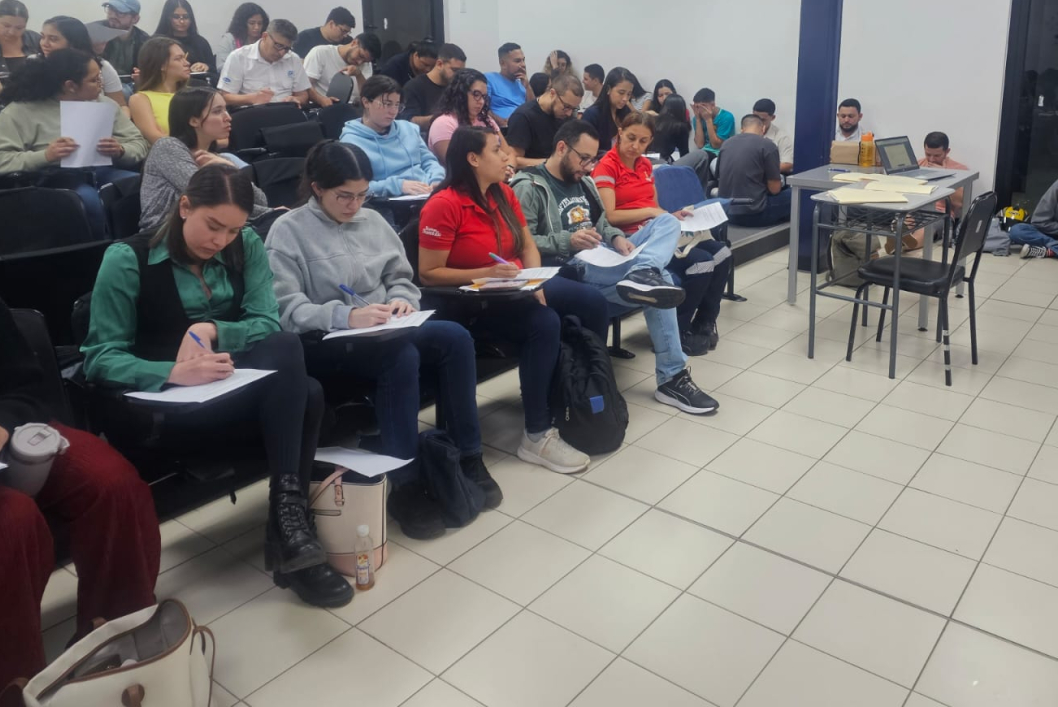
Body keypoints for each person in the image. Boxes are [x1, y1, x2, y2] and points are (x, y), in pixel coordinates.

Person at [82, 166, 353, 607]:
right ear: (184, 206)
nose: (220, 240)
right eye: (212, 225)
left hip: (229, 390)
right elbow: (99, 358)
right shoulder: (128, 259)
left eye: (232, 230)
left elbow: (266, 322)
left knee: (290, 355)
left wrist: (210, 329)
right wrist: (170, 371)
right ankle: (290, 528)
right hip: (171, 408)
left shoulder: (246, 245)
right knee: (307, 394)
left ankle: (288, 521)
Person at [265, 142, 501, 538]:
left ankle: (467, 456)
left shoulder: (372, 221)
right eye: (344, 196)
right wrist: (345, 316)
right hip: (328, 341)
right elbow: (286, 309)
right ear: (317, 188)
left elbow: (401, 278)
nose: (354, 205)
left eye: (362, 195)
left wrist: (402, 300)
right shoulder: (288, 232)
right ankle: (405, 483)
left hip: (386, 326)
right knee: (400, 357)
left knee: (455, 338)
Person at [0, 278, 160, 707]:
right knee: (10, 522)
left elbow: (21, 385)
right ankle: (3, 691)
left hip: (1, 433)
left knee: (111, 482)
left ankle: (114, 638)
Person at [417, 126, 608, 473]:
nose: (507, 156)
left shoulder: (503, 193)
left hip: (511, 289)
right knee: (545, 323)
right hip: (469, 304)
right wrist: (484, 273)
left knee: (581, 305)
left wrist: (534, 282)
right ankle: (537, 432)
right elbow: (429, 274)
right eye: (496, 150)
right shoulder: (443, 204)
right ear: (473, 159)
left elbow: (527, 244)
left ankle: (580, 396)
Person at [512, 120, 719, 413]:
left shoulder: (584, 182)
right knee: (660, 281)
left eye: (592, 160)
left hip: (605, 257)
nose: (588, 167)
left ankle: (642, 272)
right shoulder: (530, 186)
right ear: (561, 148)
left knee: (666, 221)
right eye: (584, 158)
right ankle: (672, 377)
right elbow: (521, 242)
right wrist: (568, 240)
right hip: (571, 268)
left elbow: (603, 224)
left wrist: (617, 238)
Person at [593, 111, 733, 358]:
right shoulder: (607, 166)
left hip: (657, 230)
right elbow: (609, 217)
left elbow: (654, 206)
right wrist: (651, 213)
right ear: (620, 134)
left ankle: (705, 322)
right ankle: (677, 331)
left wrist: (672, 215)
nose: (636, 146)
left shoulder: (645, 165)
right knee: (701, 262)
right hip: (631, 238)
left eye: (643, 141)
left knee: (722, 254)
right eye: (631, 138)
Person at [0, 49, 147, 235]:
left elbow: (139, 143)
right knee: (86, 200)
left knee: (141, 186)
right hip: (49, 177)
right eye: (94, 80)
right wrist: (45, 156)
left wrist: (121, 150)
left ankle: (141, 245)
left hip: (102, 170)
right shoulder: (20, 111)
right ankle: (97, 249)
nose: (101, 85)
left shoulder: (105, 104)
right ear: (70, 85)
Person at [139, 87, 272, 231]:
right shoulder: (167, 147)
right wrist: (270, 214)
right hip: (164, 234)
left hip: (218, 229)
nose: (228, 117)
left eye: (226, 109)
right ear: (194, 120)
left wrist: (233, 170)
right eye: (217, 111)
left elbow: (261, 201)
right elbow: (209, 196)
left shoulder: (219, 159)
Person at [341, 75, 444, 198]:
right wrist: (397, 186)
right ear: (366, 102)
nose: (393, 111)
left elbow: (429, 161)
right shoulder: (351, 141)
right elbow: (353, 188)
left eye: (397, 105)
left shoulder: (409, 129)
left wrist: (437, 180)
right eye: (387, 104)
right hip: (387, 201)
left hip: (425, 193)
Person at [219, 18, 330, 108]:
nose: (282, 53)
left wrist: (296, 99)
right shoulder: (239, 57)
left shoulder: (293, 59)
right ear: (265, 36)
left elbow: (303, 94)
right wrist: (252, 98)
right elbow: (225, 97)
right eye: (278, 45)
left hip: (285, 111)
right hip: (253, 113)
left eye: (287, 48)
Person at [35, 15, 127, 107]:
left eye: (53, 39)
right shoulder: (35, 64)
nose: (44, 43)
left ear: (73, 42)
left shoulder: (101, 66)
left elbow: (121, 106)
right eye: (42, 37)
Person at [717, 114, 790, 227]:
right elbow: (775, 189)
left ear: (742, 129)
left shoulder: (726, 144)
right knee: (797, 194)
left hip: (727, 213)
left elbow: (719, 177)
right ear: (763, 129)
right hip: (754, 214)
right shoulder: (768, 145)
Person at [506, 73, 584, 167]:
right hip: (534, 172)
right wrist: (551, 163)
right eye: (566, 106)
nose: (569, 113)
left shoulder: (565, 116)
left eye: (574, 109)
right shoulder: (523, 117)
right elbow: (514, 159)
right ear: (552, 94)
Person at [428, 68, 501, 165]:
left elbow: (508, 152)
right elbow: (456, 166)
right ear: (461, 94)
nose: (481, 101)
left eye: (484, 96)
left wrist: (508, 166)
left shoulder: (485, 119)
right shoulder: (444, 123)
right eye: (476, 94)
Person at [127, 36, 192, 144]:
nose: (187, 63)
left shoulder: (193, 94)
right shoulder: (140, 99)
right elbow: (155, 137)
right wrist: (192, 148)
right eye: (178, 59)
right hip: (170, 152)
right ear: (162, 65)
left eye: (184, 58)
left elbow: (217, 136)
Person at [304, 32, 382, 105]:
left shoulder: (366, 65)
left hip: (353, 107)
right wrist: (322, 100)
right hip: (323, 106)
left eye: (364, 61)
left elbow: (366, 94)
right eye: (360, 56)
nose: (359, 62)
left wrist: (359, 75)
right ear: (354, 43)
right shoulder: (320, 53)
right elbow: (305, 85)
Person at [402, 42, 466, 130]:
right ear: (439, 64)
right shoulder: (414, 87)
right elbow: (408, 121)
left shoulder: (458, 87)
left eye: (461, 72)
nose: (458, 75)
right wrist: (440, 118)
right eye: (454, 70)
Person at [151, 0, 215, 81]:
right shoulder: (156, 43)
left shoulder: (201, 42)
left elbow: (215, 74)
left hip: (198, 86)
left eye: (186, 17)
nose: (181, 21)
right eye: (176, 17)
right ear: (168, 18)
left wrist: (206, 67)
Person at [581, 66, 641, 152]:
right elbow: (585, 149)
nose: (625, 99)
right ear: (608, 89)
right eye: (621, 93)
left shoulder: (627, 112)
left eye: (629, 94)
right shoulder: (592, 114)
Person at [100, 0, 150, 77]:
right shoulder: (96, 35)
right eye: (110, 10)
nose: (112, 15)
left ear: (135, 19)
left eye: (120, 12)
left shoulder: (145, 42)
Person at [485, 42, 532, 127]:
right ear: (502, 63)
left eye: (523, 60)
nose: (523, 65)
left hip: (523, 127)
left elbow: (534, 110)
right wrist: (501, 122)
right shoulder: (489, 79)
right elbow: (482, 108)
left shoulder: (522, 85)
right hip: (501, 129)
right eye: (517, 61)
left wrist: (527, 86)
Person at [751, 99, 793, 174]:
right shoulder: (745, 134)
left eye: (763, 120)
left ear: (772, 118)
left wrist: (759, 170)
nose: (758, 123)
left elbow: (787, 164)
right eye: (755, 119)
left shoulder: (781, 137)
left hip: (769, 175)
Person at [691, 87, 735, 157]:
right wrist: (698, 120)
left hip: (721, 153)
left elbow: (716, 145)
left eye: (703, 106)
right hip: (703, 153)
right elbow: (699, 145)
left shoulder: (726, 117)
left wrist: (708, 120)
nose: (699, 110)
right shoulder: (697, 118)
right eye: (696, 107)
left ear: (713, 105)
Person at [649, 94, 692, 161]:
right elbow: (684, 153)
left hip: (645, 157)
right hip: (660, 160)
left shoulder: (654, 120)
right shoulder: (680, 127)